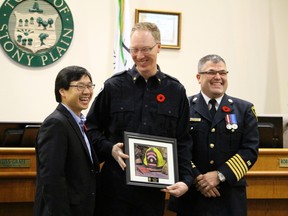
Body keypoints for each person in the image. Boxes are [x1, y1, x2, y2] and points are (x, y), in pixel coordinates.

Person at [85, 22, 194, 216]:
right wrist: (109, 148)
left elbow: (183, 141)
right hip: (115, 188)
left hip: (153, 192)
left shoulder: (175, 91)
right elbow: (90, 129)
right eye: (134, 50)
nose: (139, 56)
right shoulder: (113, 87)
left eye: (145, 49)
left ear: (159, 47)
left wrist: (186, 180)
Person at [168, 54, 259, 216]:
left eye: (223, 73)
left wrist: (219, 175)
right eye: (211, 72)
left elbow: (249, 150)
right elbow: (176, 146)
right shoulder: (183, 106)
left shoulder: (244, 109)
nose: (218, 77)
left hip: (228, 197)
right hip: (192, 196)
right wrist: (198, 179)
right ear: (198, 77)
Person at [34, 66, 100, 216]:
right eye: (80, 86)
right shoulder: (56, 124)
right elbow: (52, 179)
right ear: (62, 91)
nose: (87, 92)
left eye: (89, 86)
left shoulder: (79, 122)